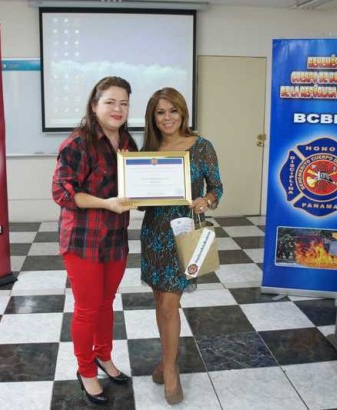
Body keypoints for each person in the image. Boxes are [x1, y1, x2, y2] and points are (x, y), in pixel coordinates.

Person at [52, 76, 137, 405]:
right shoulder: (77, 143)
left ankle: (104, 356)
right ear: (94, 105)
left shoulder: (128, 142)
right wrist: (106, 203)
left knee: (106, 302)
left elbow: (135, 186)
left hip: (115, 237)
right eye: (110, 102)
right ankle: (86, 370)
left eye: (124, 103)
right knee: (87, 308)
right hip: (82, 239)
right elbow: (62, 192)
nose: (118, 109)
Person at [140, 87, 223, 405]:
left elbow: (217, 188)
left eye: (173, 111)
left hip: (183, 233)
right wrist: (135, 196)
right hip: (153, 234)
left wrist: (206, 200)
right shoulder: (149, 149)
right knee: (160, 301)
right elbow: (140, 198)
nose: (167, 118)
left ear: (183, 113)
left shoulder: (201, 146)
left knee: (168, 305)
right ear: (153, 117)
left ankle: (171, 368)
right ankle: (166, 359)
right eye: (160, 112)